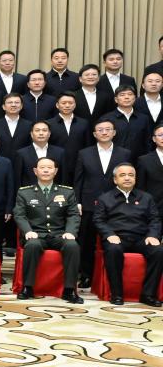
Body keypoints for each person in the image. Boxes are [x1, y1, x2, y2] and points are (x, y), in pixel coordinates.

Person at [13, 157, 83, 303]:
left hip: (59, 235)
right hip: (36, 234)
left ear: (55, 171)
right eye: (42, 167)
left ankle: (69, 290)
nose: (46, 170)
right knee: (32, 245)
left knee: (72, 246)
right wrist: (27, 231)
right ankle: (27, 287)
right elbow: (19, 215)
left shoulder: (67, 192)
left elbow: (73, 214)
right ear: (35, 171)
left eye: (49, 168)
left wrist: (70, 231)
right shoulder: (24, 193)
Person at [93, 163, 162, 307]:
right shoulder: (105, 198)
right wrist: (109, 234)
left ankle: (148, 294)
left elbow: (155, 219)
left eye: (131, 175)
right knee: (113, 249)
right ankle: (117, 294)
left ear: (135, 179)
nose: (127, 178)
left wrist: (153, 235)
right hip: (117, 238)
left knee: (158, 251)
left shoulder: (146, 198)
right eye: (122, 175)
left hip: (141, 238)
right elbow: (98, 220)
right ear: (115, 179)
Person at [74, 118, 131, 286]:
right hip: (89, 203)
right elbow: (78, 179)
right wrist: (77, 201)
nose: (104, 132)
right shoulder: (84, 153)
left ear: (114, 132)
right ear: (94, 134)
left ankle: (110, 275)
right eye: (100, 130)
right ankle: (86, 275)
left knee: (114, 239)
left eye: (108, 129)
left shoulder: (124, 153)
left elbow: (129, 179)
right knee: (87, 241)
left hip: (117, 204)